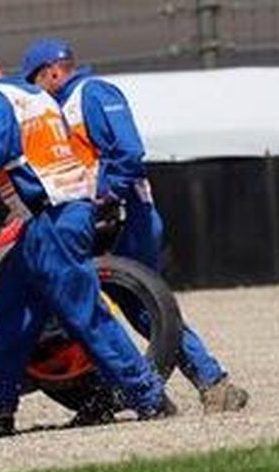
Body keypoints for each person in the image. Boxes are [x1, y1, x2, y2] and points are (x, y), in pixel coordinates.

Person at [0, 36, 173, 439]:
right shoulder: (37, 96)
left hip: (52, 219)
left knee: (83, 312)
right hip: (51, 219)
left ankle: (149, 396)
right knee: (10, 311)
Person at [19, 38, 249, 414]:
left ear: (53, 72)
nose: (34, 91)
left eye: (35, 81)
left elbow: (128, 151)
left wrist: (106, 195)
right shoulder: (58, 108)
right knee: (107, 305)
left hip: (127, 216)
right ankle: (137, 394)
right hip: (100, 219)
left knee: (143, 303)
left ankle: (211, 382)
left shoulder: (92, 93)